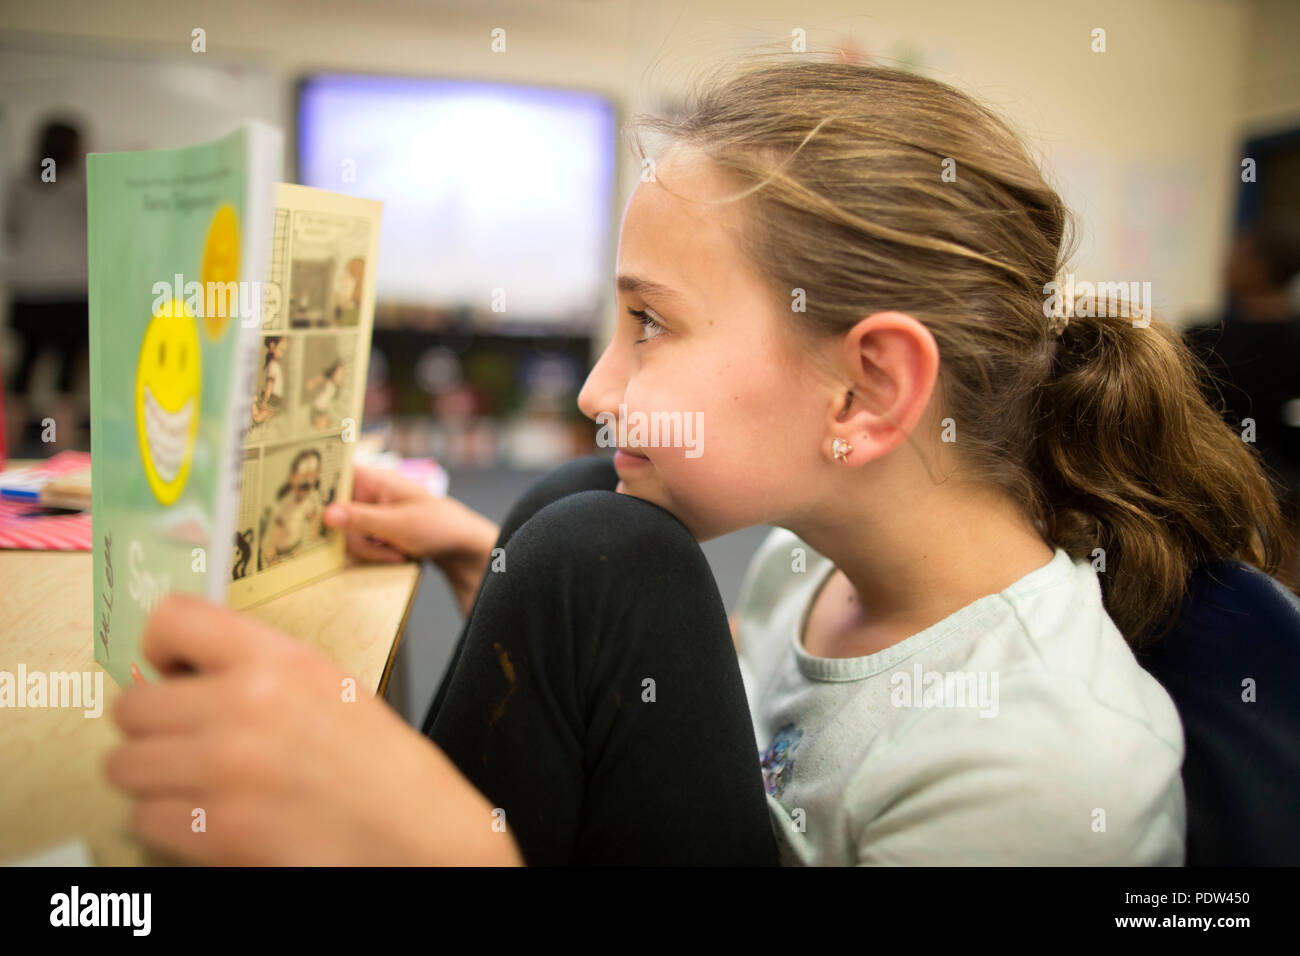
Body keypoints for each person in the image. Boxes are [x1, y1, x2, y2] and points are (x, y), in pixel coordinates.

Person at [104, 58, 1287, 866]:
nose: (592, 388)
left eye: (649, 324)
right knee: (577, 521)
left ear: (868, 387)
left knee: (589, 535)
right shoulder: (808, 563)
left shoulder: (1041, 769)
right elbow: (721, 739)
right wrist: (500, 570)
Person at [1182, 221, 1300, 592]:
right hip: (1234, 495)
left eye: (1236, 256)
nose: (1225, 264)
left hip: (1231, 494)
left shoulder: (1208, 339)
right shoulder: (1205, 334)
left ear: (1260, 268)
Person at [3, 119, 89, 449]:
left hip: (30, 291)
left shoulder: (21, 183)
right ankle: (59, 454)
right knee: (66, 379)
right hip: (70, 290)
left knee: (22, 374)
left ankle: (6, 454)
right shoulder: (82, 186)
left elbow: (13, 227)